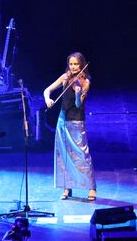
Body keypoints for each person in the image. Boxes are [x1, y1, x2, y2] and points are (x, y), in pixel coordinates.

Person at [43, 52, 97, 201]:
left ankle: (91, 187)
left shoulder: (85, 81)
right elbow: (47, 90)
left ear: (81, 65)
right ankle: (67, 187)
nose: (73, 67)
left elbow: (79, 105)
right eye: (71, 64)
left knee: (82, 154)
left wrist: (78, 93)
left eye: (76, 64)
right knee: (63, 155)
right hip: (62, 120)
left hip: (77, 121)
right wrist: (48, 99)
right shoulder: (65, 77)